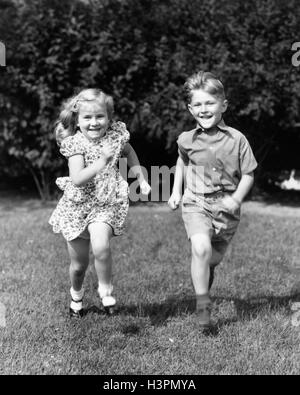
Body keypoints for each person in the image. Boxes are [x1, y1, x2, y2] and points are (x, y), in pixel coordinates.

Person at [49, 88, 151, 318]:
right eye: (87, 117)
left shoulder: (115, 135)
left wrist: (141, 177)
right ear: (77, 120)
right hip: (77, 207)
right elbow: (77, 178)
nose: (94, 122)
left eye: (99, 116)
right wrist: (102, 161)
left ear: (109, 117)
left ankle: (106, 289)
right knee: (79, 266)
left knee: (101, 245)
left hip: (104, 203)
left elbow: (128, 151)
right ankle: (76, 296)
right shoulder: (75, 145)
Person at [168, 71, 257, 328]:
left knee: (211, 260)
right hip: (195, 202)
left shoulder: (238, 139)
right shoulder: (186, 139)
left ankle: (204, 279)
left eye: (210, 103)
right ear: (190, 108)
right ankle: (203, 306)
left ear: (223, 105)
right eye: (197, 104)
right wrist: (176, 191)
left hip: (226, 209)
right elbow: (182, 161)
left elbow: (249, 174)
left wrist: (237, 198)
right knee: (201, 249)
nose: (203, 109)